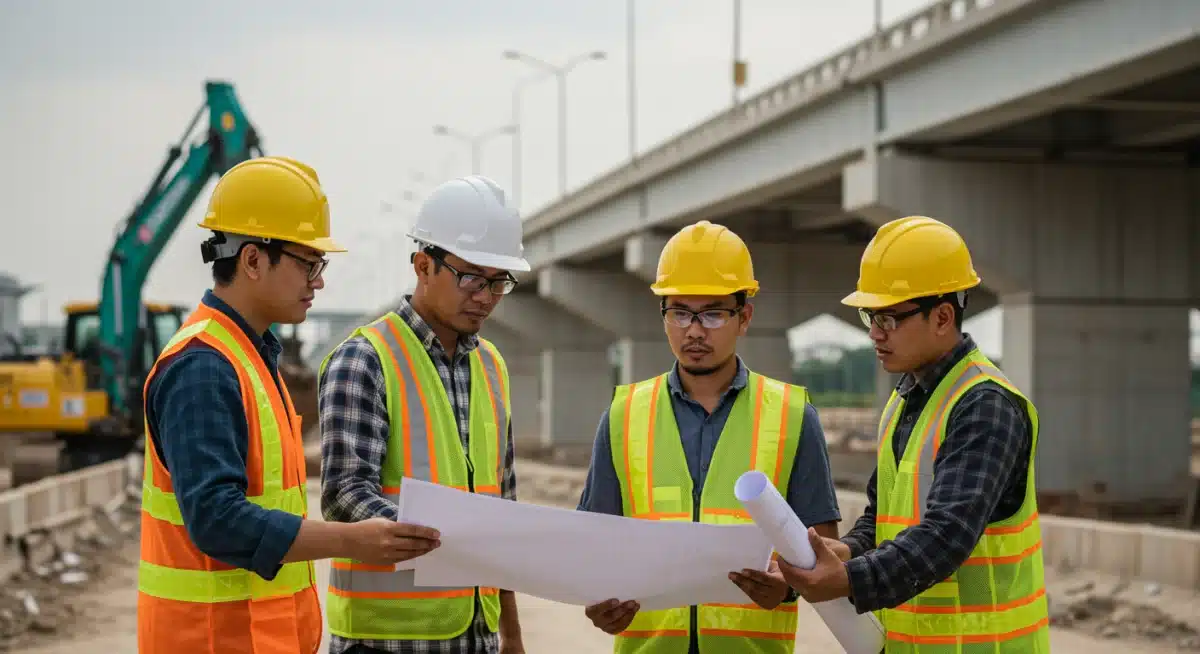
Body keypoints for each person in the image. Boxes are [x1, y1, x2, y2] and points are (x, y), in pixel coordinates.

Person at [137, 156, 443, 654]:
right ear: (253, 260)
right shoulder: (203, 367)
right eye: (309, 263)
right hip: (213, 641)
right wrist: (351, 540)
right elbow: (215, 518)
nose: (318, 282)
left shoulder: (250, 358)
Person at [776, 215, 1050, 652]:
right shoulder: (907, 401)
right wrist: (844, 552)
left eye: (889, 318)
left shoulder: (985, 406)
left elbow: (946, 534)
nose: (874, 333)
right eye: (872, 316)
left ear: (942, 316)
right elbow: (881, 518)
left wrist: (847, 580)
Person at [577, 219, 843, 654]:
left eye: (713, 313)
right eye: (680, 311)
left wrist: (788, 588)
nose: (694, 330)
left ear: (745, 317)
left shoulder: (794, 416)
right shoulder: (623, 415)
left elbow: (823, 548)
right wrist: (596, 599)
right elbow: (592, 545)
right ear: (663, 314)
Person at [319, 175, 529, 654]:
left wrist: (511, 635)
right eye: (472, 277)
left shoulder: (492, 367)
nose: (486, 296)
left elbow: (505, 514)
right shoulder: (366, 359)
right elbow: (345, 496)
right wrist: (444, 537)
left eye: (500, 282)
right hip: (385, 641)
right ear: (422, 265)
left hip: (477, 639)